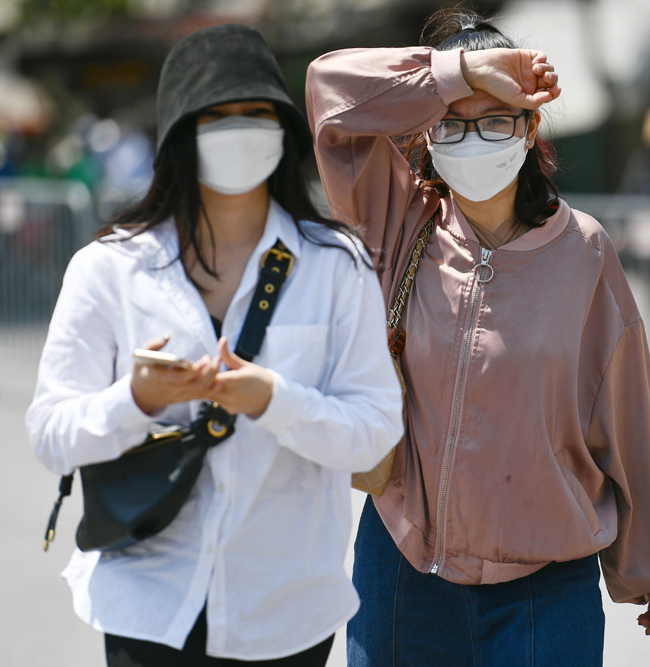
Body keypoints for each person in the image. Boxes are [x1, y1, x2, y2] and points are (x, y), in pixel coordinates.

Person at [305, 8, 650, 666]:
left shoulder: (583, 250)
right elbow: (328, 91)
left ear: (530, 129)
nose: (474, 139)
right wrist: (459, 71)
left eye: (495, 119)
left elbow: (624, 415)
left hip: (547, 585)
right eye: (453, 124)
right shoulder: (398, 217)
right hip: (405, 569)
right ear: (427, 136)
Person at [26, 24, 403, 666]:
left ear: (285, 129)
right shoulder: (108, 267)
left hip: (285, 610)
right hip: (147, 601)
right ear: (179, 132)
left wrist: (276, 401)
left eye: (257, 113)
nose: (240, 130)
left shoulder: (337, 266)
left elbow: (374, 434)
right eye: (216, 115)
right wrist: (135, 400)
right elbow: (51, 432)